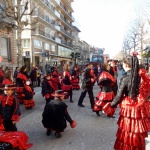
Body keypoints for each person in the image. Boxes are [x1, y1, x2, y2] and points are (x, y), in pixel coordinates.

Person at [104, 54, 150, 150]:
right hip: (139, 111)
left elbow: (118, 97)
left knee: (127, 133)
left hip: (129, 111)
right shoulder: (142, 77)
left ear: (126, 64)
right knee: (137, 134)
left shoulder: (125, 79)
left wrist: (109, 107)